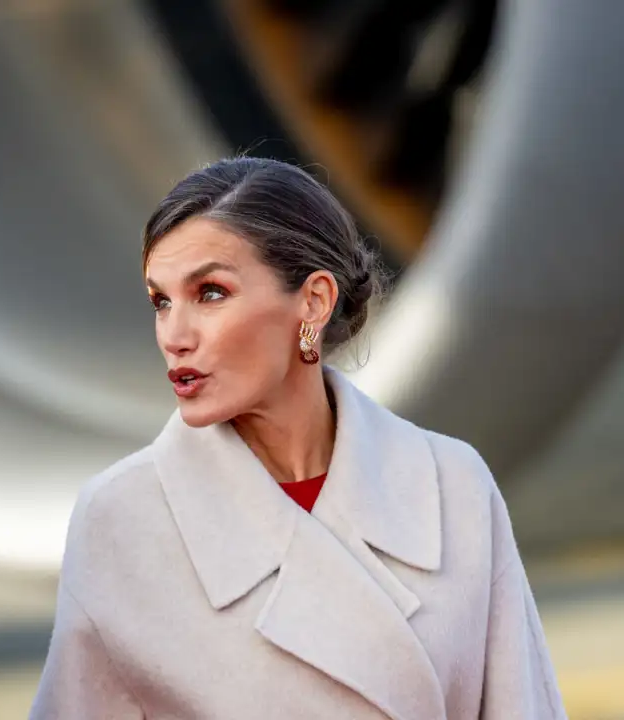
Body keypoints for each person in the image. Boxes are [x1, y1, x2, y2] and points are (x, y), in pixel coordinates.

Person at [30, 157, 567, 719]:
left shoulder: (451, 484)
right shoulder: (122, 518)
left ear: (313, 301)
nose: (175, 335)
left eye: (210, 293)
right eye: (161, 301)